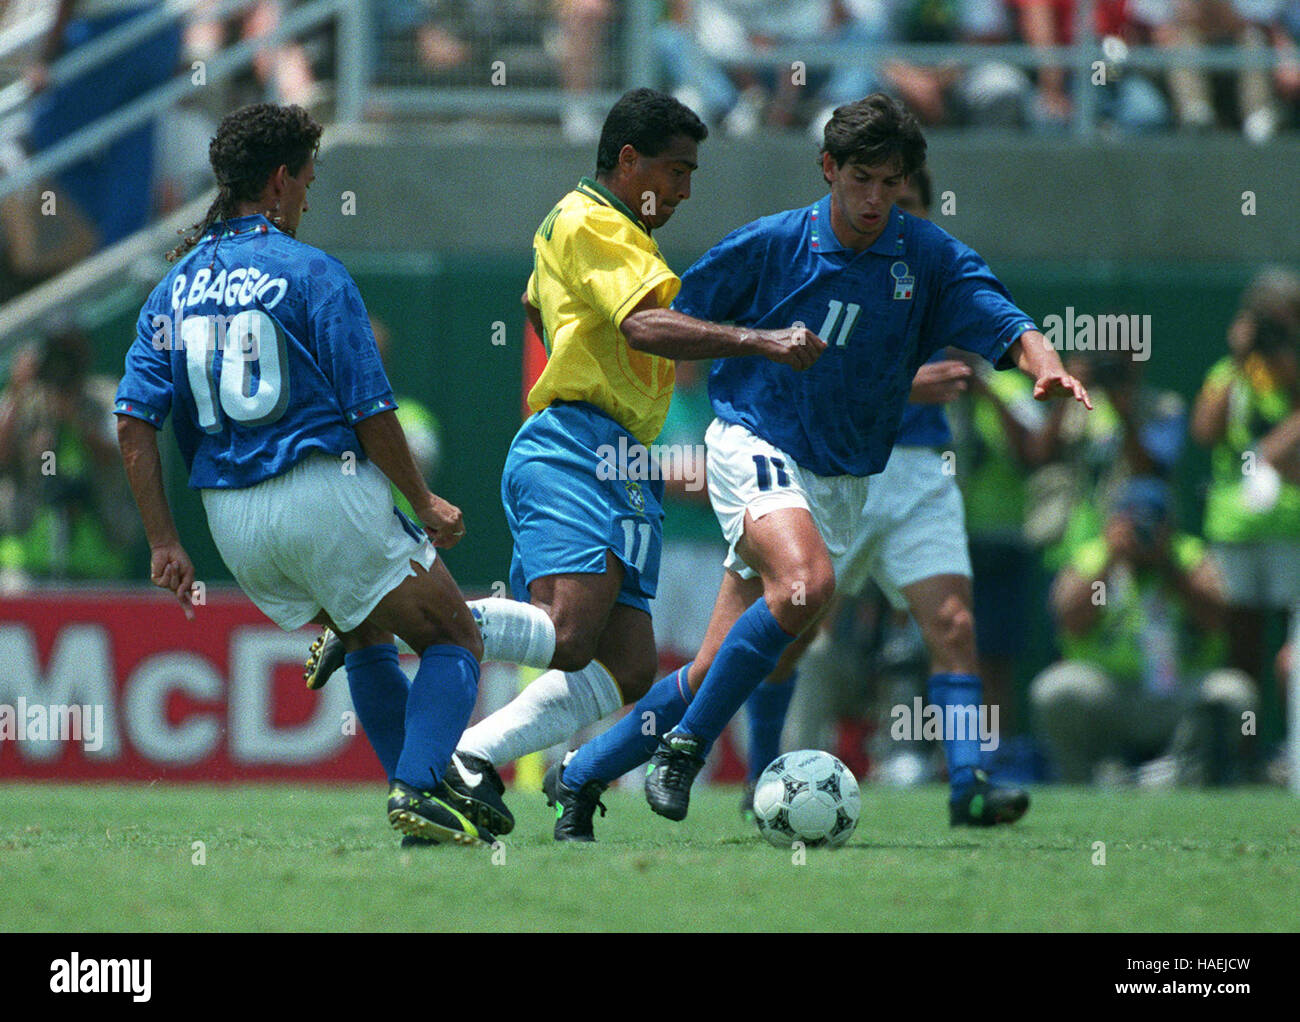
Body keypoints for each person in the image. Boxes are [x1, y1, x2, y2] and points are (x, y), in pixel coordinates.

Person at [553, 93, 1091, 839]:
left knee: (716, 668)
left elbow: (1002, 316)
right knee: (807, 586)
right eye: (860, 179)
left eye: (889, 183)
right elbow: (665, 320)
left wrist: (1045, 363)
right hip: (755, 443)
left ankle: (579, 776)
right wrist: (755, 344)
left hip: (845, 481)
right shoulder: (771, 244)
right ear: (829, 169)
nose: (875, 199)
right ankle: (686, 750)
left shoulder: (924, 256)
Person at [113, 103, 494, 847]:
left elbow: (133, 421)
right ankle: (417, 784)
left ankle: (415, 807)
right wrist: (424, 501)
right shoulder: (310, 270)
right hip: (318, 493)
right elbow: (371, 408)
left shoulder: (175, 285)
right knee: (455, 635)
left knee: (364, 638)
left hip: (231, 523)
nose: (311, 199)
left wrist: (165, 542)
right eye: (310, 182)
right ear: (282, 180)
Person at [733, 167, 1026, 816]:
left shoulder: (943, 273)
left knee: (953, 623)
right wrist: (902, 385)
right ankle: (759, 777)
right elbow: (813, 374)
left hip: (921, 468)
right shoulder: (830, 269)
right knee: (797, 631)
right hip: (839, 469)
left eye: (912, 207)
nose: (899, 220)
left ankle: (966, 788)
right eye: (888, 204)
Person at [1031, 478, 1255, 786]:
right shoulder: (1093, 557)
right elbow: (1069, 620)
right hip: (1111, 696)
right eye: (1134, 523)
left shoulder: (1188, 555)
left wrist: (1168, 566)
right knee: (1055, 689)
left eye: (1152, 522)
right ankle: (1082, 783)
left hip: (1175, 694)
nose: (1143, 533)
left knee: (1233, 693)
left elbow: (1215, 618)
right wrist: (1111, 560)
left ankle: (1186, 779)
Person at [1189, 267, 1300, 691]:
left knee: (1294, 654)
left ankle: (1291, 748)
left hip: (1292, 530)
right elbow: (1204, 432)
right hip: (1236, 529)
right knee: (1241, 652)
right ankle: (1245, 751)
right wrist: (1240, 357)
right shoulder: (1230, 374)